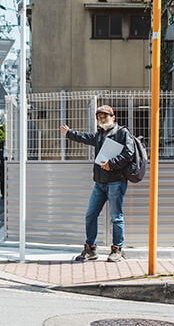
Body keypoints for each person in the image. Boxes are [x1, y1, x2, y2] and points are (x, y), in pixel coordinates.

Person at [59, 105, 134, 262]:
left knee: (116, 217)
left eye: (105, 116)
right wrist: (69, 134)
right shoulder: (100, 134)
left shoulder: (122, 133)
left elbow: (129, 153)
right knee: (90, 215)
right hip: (99, 183)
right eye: (99, 117)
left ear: (113, 117)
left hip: (116, 182)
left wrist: (111, 164)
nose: (102, 119)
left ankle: (117, 249)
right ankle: (91, 249)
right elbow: (85, 137)